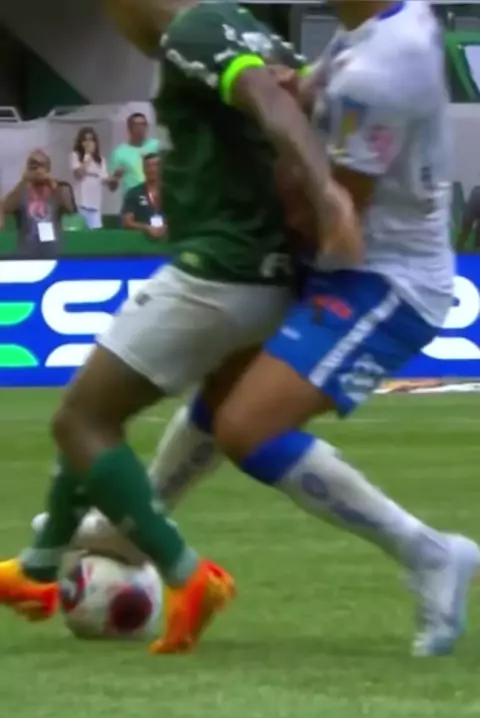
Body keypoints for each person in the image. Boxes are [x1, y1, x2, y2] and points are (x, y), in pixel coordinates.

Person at [68, 0, 479, 659]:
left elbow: (330, 208)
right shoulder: (375, 33)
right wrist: (301, 90)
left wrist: (229, 205)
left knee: (247, 428)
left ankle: (429, 553)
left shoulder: (383, 66)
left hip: (386, 282)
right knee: (223, 389)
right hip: (346, 267)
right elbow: (318, 99)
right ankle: (129, 527)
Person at [0, 0, 354, 655]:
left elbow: (273, 106)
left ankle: (189, 578)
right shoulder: (249, 27)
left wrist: (325, 194)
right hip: (268, 272)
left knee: (81, 421)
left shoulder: (195, 28)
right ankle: (40, 567)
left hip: (219, 271)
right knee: (100, 407)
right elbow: (303, 102)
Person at [2, 150, 76, 258]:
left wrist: (53, 184)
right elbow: (6, 208)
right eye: (33, 165)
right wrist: (23, 181)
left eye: (41, 165)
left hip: (53, 249)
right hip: (27, 250)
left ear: (48, 168)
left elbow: (70, 209)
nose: (37, 170)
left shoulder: (57, 188)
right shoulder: (22, 189)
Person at [109, 113, 161, 198]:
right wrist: (115, 177)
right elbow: (112, 188)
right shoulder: (119, 152)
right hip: (132, 199)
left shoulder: (156, 146)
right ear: (129, 128)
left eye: (144, 124)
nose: (141, 128)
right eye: (138, 125)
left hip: (154, 197)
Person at [70, 127, 112, 229]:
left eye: (91, 140)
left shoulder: (101, 160)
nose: (88, 143)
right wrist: (87, 155)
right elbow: (80, 173)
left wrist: (115, 177)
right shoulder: (75, 156)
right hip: (81, 203)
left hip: (95, 204)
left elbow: (104, 178)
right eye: (85, 140)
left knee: (95, 231)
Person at [121, 153, 166, 240]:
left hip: (168, 242)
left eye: (155, 165)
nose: (152, 169)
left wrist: (168, 228)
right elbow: (127, 222)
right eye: (148, 166)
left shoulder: (170, 192)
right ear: (143, 169)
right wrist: (146, 228)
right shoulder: (133, 193)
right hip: (140, 242)